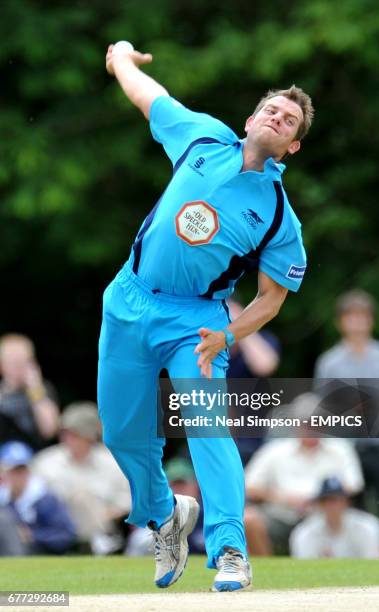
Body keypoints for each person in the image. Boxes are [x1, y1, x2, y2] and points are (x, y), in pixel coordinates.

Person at [99, 42, 314, 591]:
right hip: (128, 298)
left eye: (288, 120)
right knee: (122, 434)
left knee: (208, 430)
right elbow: (151, 96)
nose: (276, 116)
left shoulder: (276, 219)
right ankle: (164, 514)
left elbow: (271, 299)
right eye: (271, 108)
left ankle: (230, 551)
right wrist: (122, 58)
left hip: (193, 324)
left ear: (290, 147)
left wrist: (227, 334)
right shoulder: (202, 136)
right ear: (250, 119)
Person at [314, 289, 379, 517]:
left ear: (371, 320)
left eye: (362, 317)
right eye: (351, 317)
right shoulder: (330, 362)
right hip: (345, 447)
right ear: (340, 323)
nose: (357, 323)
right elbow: (321, 405)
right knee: (351, 512)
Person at [244, 394, 364, 555]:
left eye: (317, 423)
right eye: (306, 423)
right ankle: (265, 569)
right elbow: (248, 486)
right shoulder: (274, 450)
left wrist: (321, 499)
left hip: (324, 516)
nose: (312, 428)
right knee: (249, 519)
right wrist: (281, 498)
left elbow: (354, 485)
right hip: (281, 515)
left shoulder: (340, 449)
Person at [32, 402, 131, 555]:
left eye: (74, 434)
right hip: (55, 531)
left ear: (90, 436)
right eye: (64, 433)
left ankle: (96, 545)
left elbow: (127, 502)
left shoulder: (113, 464)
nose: (67, 439)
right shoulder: (45, 462)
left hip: (104, 529)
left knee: (85, 498)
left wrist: (99, 516)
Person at [227, 298, 281, 465]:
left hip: (257, 440)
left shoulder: (261, 340)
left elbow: (265, 365)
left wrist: (242, 327)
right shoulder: (206, 347)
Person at [0, 441, 77, 555]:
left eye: (22, 470)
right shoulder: (3, 500)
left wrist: (33, 536)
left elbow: (66, 535)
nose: (18, 476)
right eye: (13, 471)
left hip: (41, 554)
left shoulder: (45, 499)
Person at [290, 477, 379, 558]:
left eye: (336, 500)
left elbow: (373, 561)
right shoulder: (305, 532)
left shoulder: (367, 526)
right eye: (326, 500)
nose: (332, 506)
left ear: (346, 502)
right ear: (320, 504)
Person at [0, 334, 60, 449]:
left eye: (23, 362)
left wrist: (35, 388)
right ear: (2, 365)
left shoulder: (42, 390)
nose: (18, 367)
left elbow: (50, 430)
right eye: (13, 362)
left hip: (37, 456)